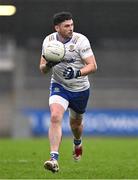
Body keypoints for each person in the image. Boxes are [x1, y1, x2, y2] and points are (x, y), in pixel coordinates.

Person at [39, 11, 97, 173]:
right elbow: (42, 69)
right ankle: (54, 159)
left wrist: (77, 73)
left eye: (71, 25)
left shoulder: (81, 41)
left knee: (76, 124)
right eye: (66, 26)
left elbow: (93, 66)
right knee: (55, 116)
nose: (71, 28)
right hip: (60, 86)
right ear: (57, 28)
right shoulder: (49, 42)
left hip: (80, 88)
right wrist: (49, 65)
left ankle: (77, 142)